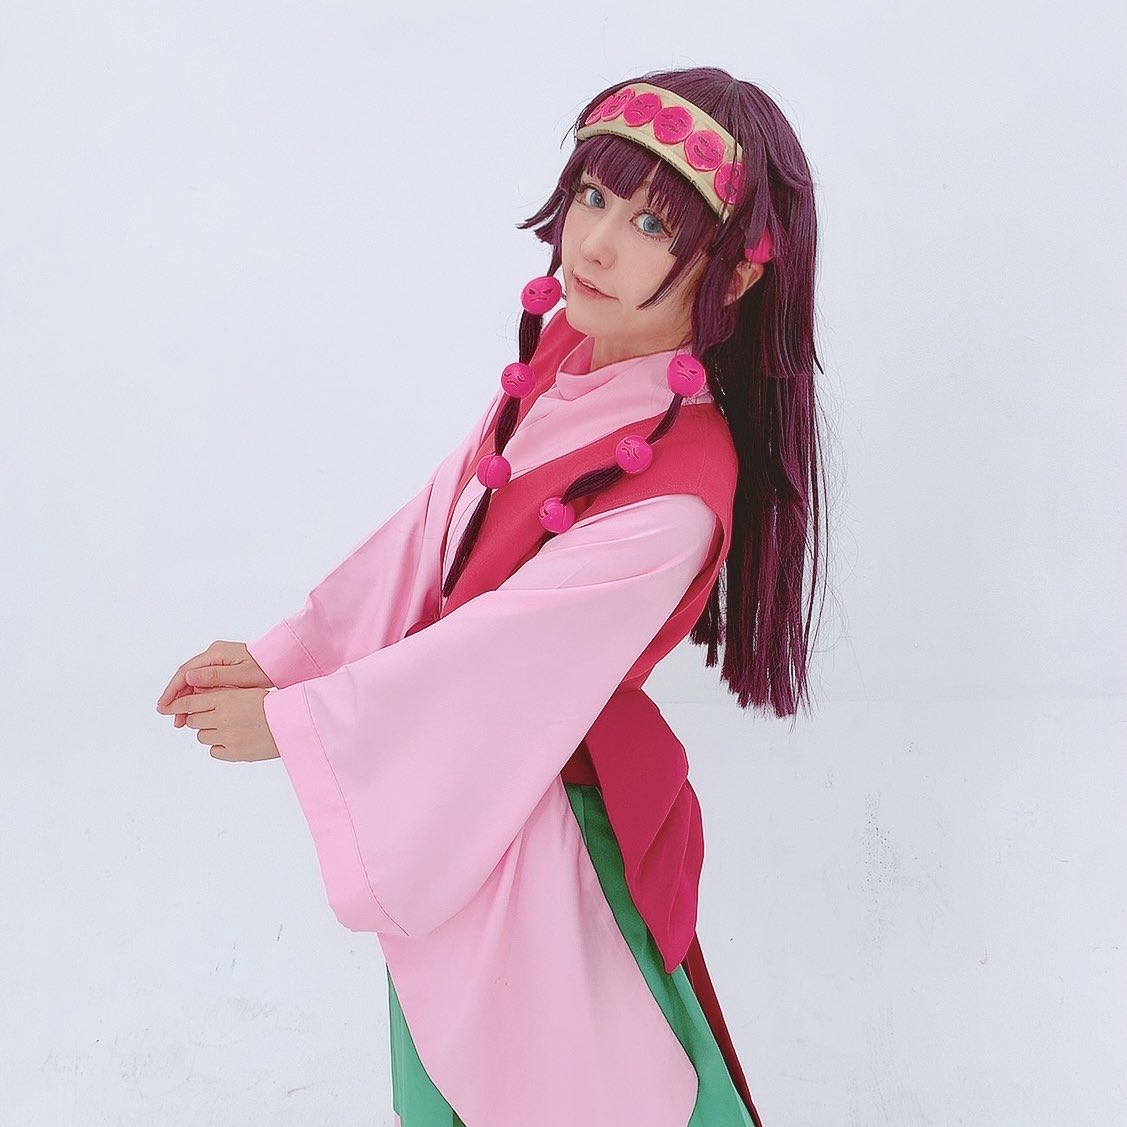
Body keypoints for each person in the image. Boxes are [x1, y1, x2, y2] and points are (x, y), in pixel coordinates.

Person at [155, 65, 826, 1127]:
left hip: (540, 818)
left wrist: (294, 723)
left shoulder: (679, 492)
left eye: (652, 223)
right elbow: (435, 521)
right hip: (468, 798)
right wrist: (292, 655)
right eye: (593, 196)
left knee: (591, 1088)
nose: (592, 244)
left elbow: (498, 661)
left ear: (735, 277)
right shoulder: (566, 354)